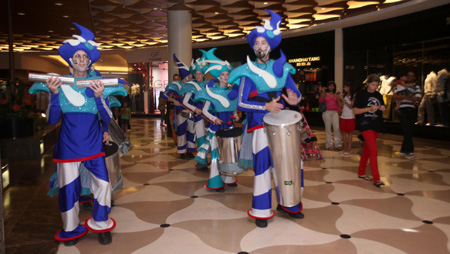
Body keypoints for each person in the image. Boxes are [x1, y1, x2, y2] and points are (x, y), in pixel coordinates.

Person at [29, 23, 126, 246]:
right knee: (68, 189)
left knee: (103, 186)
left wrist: (100, 98)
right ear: (71, 60)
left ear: (89, 61)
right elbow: (53, 120)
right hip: (68, 147)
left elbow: (106, 117)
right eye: (77, 56)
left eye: (85, 56)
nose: (81, 59)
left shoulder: (95, 86)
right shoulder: (60, 85)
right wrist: (54, 95)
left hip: (93, 146)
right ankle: (71, 228)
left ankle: (101, 224)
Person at [228, 9, 303, 228]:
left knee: (288, 164)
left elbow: (294, 93)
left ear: (270, 46)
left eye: (263, 43)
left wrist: (293, 99)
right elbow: (241, 103)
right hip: (259, 126)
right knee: (262, 168)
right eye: (256, 44)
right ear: (254, 48)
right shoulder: (246, 72)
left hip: (283, 125)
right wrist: (265, 105)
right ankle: (261, 209)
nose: (260, 47)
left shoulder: (282, 68)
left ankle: (289, 203)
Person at [196, 48, 239, 192]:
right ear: (218, 76)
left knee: (229, 152)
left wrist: (236, 115)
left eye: (227, 74)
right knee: (216, 154)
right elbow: (205, 111)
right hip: (216, 128)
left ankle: (229, 177)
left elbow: (233, 107)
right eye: (223, 74)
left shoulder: (232, 90)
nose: (226, 76)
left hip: (230, 127)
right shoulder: (211, 91)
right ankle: (215, 180)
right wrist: (214, 119)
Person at [353, 74, 386, 187]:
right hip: (365, 124)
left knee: (367, 149)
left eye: (376, 85)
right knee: (373, 150)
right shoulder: (361, 94)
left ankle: (361, 172)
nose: (374, 87)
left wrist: (382, 108)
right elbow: (355, 111)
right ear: (367, 84)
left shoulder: (378, 95)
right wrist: (369, 109)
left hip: (376, 125)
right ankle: (376, 179)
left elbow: (383, 109)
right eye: (372, 85)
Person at [163, 54, 196, 159]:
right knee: (181, 131)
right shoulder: (176, 85)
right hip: (180, 112)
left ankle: (190, 150)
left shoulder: (192, 84)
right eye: (188, 76)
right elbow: (164, 95)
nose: (190, 77)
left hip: (191, 111)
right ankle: (182, 151)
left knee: (191, 131)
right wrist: (173, 100)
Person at [180, 50, 210, 166]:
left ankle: (208, 158)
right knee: (200, 137)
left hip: (210, 114)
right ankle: (202, 161)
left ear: (203, 74)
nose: (198, 76)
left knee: (210, 138)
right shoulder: (191, 86)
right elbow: (184, 102)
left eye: (200, 74)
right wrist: (195, 109)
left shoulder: (209, 85)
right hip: (198, 116)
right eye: (196, 74)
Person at [393, 71, 421, 159]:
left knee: (409, 130)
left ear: (414, 78)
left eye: (412, 76)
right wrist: (408, 98)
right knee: (406, 129)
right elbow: (395, 96)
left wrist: (406, 98)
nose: (409, 77)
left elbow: (417, 98)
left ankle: (403, 150)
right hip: (402, 110)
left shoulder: (416, 87)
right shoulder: (399, 85)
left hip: (412, 110)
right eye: (408, 76)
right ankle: (409, 151)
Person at [319, 81, 342, 150]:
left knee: (337, 128)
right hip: (326, 112)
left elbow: (338, 104)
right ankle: (329, 145)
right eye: (330, 85)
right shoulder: (325, 94)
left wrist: (339, 112)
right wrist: (323, 92)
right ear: (327, 86)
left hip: (335, 112)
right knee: (328, 129)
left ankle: (338, 144)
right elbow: (320, 101)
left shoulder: (336, 95)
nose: (331, 87)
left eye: (333, 86)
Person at [338, 82, 356, 155]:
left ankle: (349, 149)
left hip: (350, 116)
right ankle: (345, 148)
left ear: (349, 87)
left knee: (350, 134)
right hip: (343, 116)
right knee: (344, 133)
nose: (344, 88)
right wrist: (339, 99)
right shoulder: (344, 95)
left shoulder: (353, 96)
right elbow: (342, 106)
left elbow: (351, 106)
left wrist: (344, 100)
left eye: (345, 87)